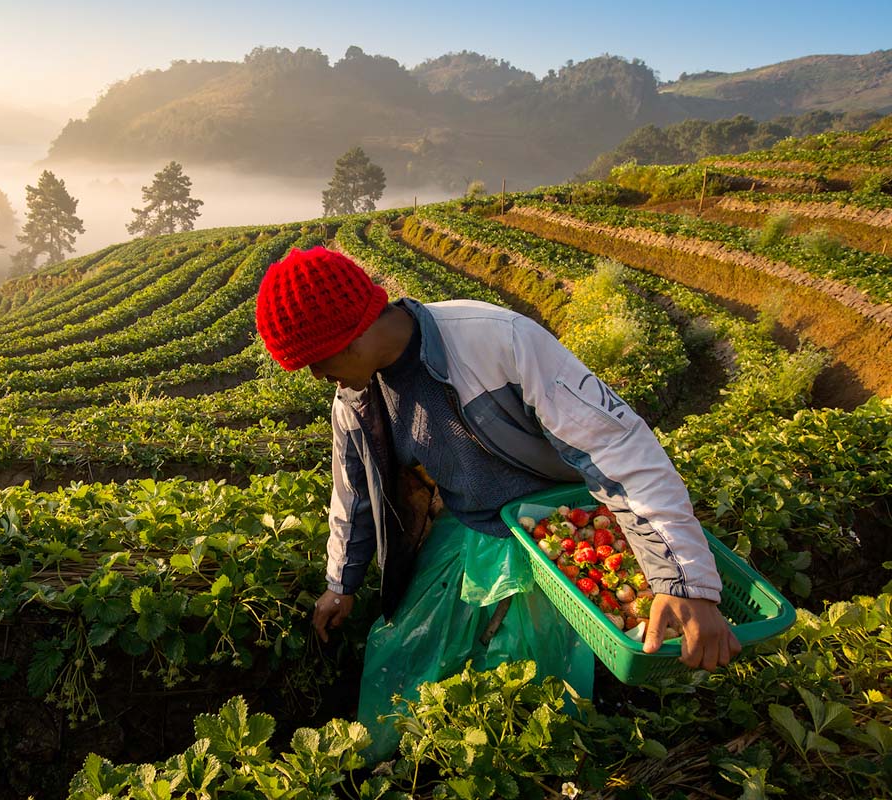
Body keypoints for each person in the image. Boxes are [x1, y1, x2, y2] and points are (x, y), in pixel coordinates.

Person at [254, 245, 740, 758]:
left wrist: (683, 581)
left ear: (348, 337)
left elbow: (615, 447)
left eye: (314, 361)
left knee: (531, 686)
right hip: (465, 528)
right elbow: (352, 493)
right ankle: (400, 766)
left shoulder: (494, 340)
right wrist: (341, 583)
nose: (314, 377)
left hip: (552, 532)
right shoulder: (355, 397)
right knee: (406, 653)